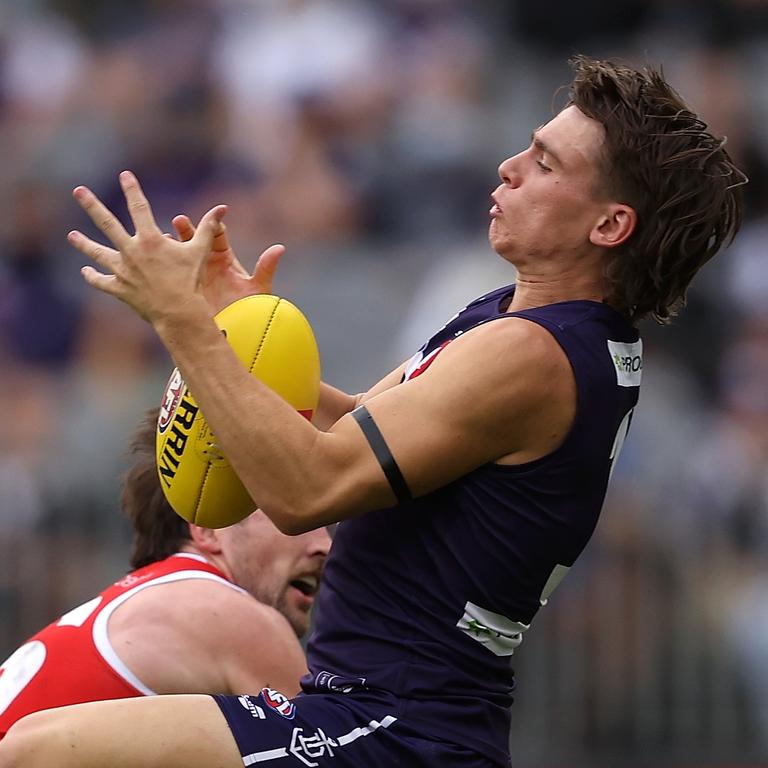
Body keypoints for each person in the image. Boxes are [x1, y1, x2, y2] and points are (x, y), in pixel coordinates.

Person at [0, 55, 745, 768]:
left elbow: (306, 493)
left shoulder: (534, 354)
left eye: (547, 164)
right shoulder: (523, 323)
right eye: (527, 147)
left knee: (33, 750)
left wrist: (185, 329)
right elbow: (357, 426)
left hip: (395, 729)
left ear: (610, 226)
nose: (509, 168)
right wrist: (236, 324)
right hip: (388, 715)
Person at [0, 408, 331, 740]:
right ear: (210, 528)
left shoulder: (141, 604)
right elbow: (330, 754)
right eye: (293, 519)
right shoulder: (230, 616)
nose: (325, 546)